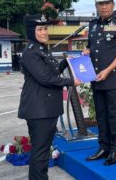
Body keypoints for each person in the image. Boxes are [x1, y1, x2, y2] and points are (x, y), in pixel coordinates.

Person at [18, 14, 81, 180]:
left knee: (43, 150)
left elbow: (52, 72)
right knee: (40, 152)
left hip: (46, 109)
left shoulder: (42, 50)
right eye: (40, 29)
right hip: (39, 110)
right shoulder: (31, 52)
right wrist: (71, 81)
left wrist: (66, 62)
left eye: (45, 28)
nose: (44, 32)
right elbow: (44, 78)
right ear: (32, 31)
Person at [83, 0, 116, 166]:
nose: (104, 7)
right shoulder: (93, 25)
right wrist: (86, 51)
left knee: (115, 116)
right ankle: (103, 147)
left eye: (107, 3)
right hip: (97, 79)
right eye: (100, 3)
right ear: (96, 5)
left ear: (113, 4)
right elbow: (92, 47)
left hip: (114, 78)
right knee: (101, 116)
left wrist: (108, 69)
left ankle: (115, 150)